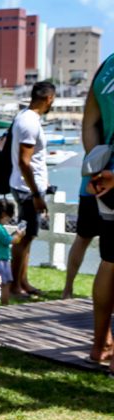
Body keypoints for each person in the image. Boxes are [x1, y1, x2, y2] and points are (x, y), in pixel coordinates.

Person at [82, 52, 114, 369]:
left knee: (109, 259)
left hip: (104, 180)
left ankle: (100, 343)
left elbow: (89, 123)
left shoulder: (106, 66)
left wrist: (99, 167)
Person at [9, 81, 56, 298]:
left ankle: (23, 281)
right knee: (24, 237)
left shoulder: (25, 117)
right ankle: (15, 286)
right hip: (27, 189)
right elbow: (24, 162)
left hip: (26, 186)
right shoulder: (29, 122)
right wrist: (37, 194)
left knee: (28, 237)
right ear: (49, 98)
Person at [0, 198, 23, 305]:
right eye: (9, 217)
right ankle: (5, 304)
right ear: (4, 214)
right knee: (5, 284)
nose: (9, 220)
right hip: (1, 261)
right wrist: (19, 235)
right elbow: (9, 241)